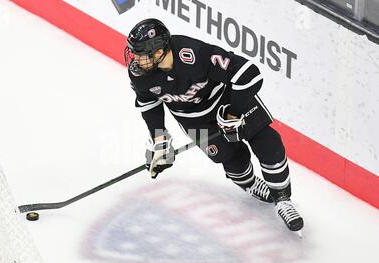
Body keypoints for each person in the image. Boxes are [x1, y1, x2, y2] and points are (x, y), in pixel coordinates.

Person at [124, 18, 303, 233]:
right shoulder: (140, 75)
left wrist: (233, 112)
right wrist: (159, 139)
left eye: (140, 53)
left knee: (267, 141)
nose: (135, 59)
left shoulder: (193, 53)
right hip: (193, 120)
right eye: (134, 52)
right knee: (232, 161)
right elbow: (148, 103)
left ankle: (283, 199)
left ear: (159, 51)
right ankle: (251, 184)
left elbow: (249, 73)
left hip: (226, 101)